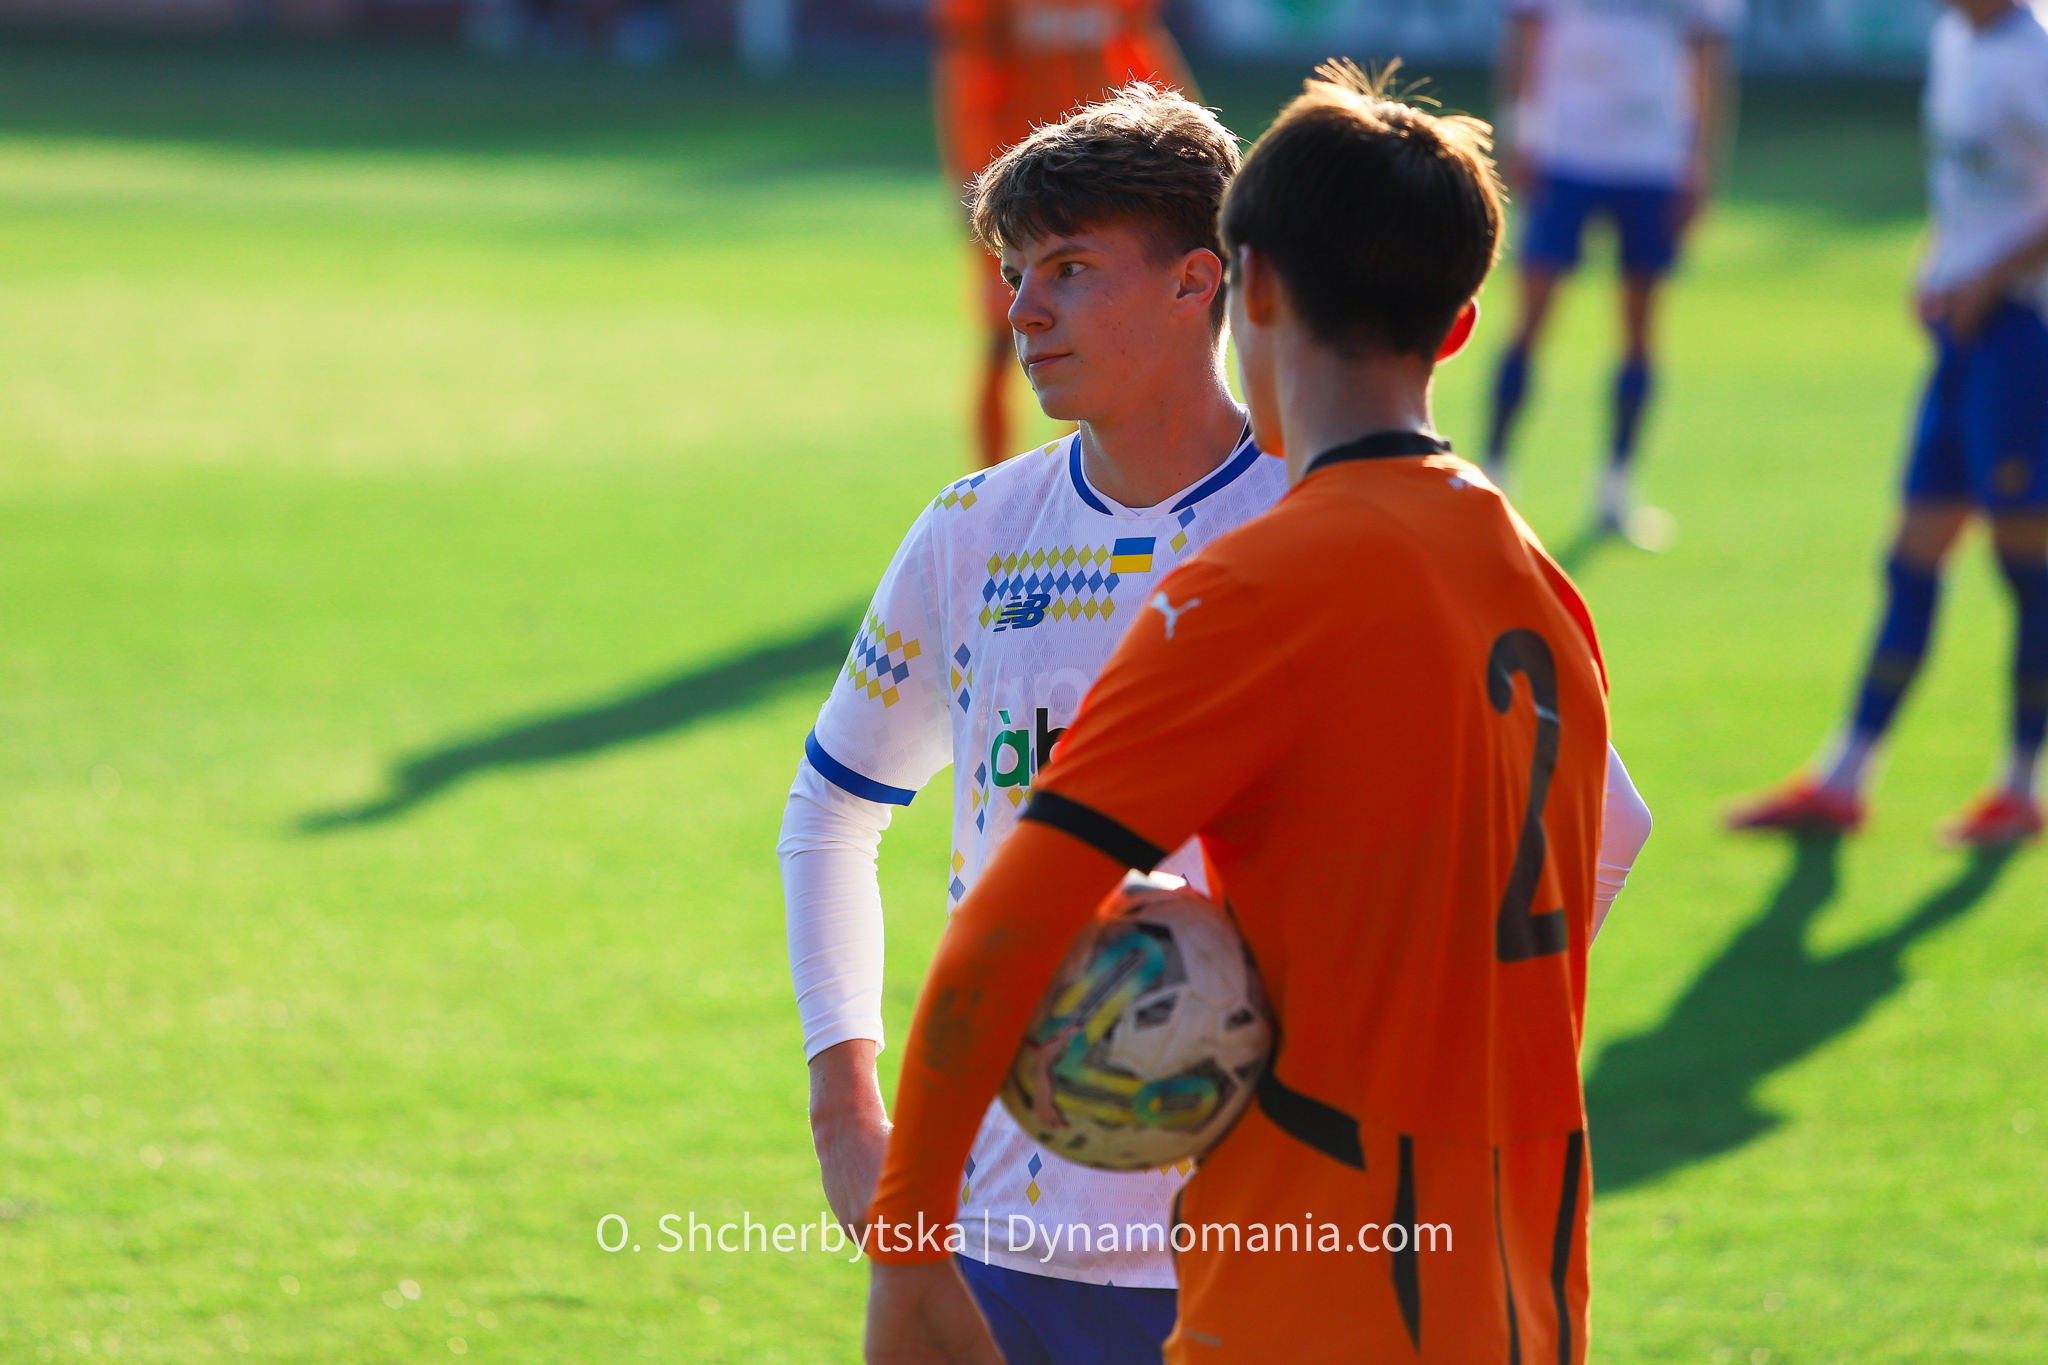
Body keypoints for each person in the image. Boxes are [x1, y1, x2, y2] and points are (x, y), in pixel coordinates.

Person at [861, 62, 1652, 1364]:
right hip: (1517, 1282)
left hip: (1311, 1283)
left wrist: (905, 1248)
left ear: (1251, 286)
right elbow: (1614, 838)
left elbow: (1014, 920)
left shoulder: (1249, 589)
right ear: (1458, 327)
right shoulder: (1530, 578)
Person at [780, 85, 1286, 1365]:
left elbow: (1577, 829)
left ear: (1196, 282)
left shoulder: (1315, 526)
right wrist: (844, 1101)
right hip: (991, 1229)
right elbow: (831, 811)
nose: (1020, 312)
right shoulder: (974, 530)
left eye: (1067, 269)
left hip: (1258, 1237)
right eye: (1014, 273)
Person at [1727, 0, 2048, 847]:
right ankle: (1845, 778)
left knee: (2029, 569)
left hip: (2026, 338)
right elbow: (1970, 186)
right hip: (1965, 338)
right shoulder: (1954, 40)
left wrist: (1992, 276)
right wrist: (1939, 260)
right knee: (1912, 559)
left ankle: (2021, 785)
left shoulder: (2038, 54)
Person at [1486, 0, 1741, 541]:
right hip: (1564, 150)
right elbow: (1524, 33)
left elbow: (1709, 57)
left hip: (1653, 159)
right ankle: (1494, 475)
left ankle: (1616, 489)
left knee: (1639, 332)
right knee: (1529, 321)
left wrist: (1700, 161)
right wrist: (1518, 127)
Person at [932, 0, 1197, 469]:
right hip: (1016, 182)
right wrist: (968, 172)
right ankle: (991, 483)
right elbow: (967, 71)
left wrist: (1184, 141)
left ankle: (1078, 470)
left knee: (1098, 327)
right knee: (1006, 332)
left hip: (1102, 179)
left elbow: (1141, 49)